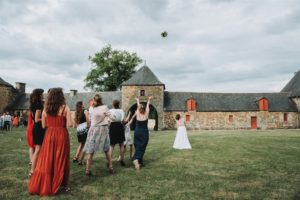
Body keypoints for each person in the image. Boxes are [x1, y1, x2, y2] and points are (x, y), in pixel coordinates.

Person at [28, 87, 72, 196]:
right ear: (61, 96)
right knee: (61, 158)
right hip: (61, 134)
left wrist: (52, 124)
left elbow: (43, 125)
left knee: (48, 158)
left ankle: (47, 182)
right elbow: (70, 124)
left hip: (49, 135)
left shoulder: (46, 109)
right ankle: (64, 184)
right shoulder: (65, 108)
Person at [83, 94, 113, 176]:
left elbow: (89, 120)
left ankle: (87, 170)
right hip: (103, 129)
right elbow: (112, 118)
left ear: (94, 100)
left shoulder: (91, 108)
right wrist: (107, 118)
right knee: (106, 149)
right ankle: (110, 167)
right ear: (101, 100)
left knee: (91, 150)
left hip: (93, 129)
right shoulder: (105, 107)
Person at [132, 96, 152, 170]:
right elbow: (147, 106)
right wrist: (149, 99)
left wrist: (138, 100)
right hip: (144, 132)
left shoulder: (137, 113)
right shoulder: (146, 114)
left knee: (137, 145)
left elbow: (138, 106)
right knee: (143, 145)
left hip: (137, 132)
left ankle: (140, 161)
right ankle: (136, 159)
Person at [29, 89, 45, 177]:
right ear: (39, 95)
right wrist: (46, 119)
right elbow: (36, 119)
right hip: (38, 128)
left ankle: (36, 168)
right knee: (38, 149)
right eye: (42, 94)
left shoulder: (34, 104)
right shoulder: (38, 105)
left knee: (38, 149)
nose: (43, 95)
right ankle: (32, 170)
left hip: (36, 128)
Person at [107, 100, 126, 166]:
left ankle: (109, 161)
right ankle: (122, 160)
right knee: (121, 144)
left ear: (113, 104)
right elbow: (123, 120)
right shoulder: (121, 111)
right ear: (119, 104)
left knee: (112, 145)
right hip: (119, 126)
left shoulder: (110, 111)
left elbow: (108, 121)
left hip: (112, 126)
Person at [73, 101, 89, 165]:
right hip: (84, 128)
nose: (83, 104)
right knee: (85, 145)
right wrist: (88, 125)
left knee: (81, 144)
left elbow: (75, 123)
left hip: (79, 129)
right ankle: (80, 160)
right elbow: (88, 119)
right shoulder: (85, 111)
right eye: (83, 104)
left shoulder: (76, 112)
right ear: (81, 105)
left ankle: (75, 157)